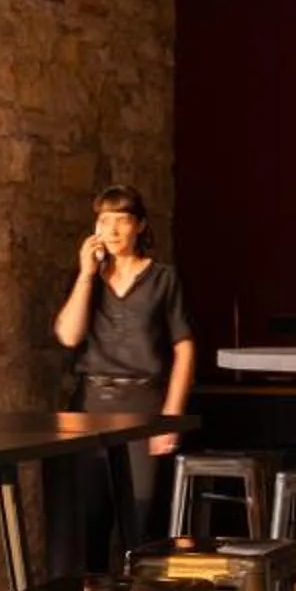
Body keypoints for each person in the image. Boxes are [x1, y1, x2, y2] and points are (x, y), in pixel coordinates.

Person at [52, 184, 193, 549]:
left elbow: (184, 348)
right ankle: (96, 587)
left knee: (141, 518)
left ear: (140, 225)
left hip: (144, 404)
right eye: (104, 221)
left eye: (122, 220)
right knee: (91, 519)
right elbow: (68, 336)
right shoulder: (87, 279)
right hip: (90, 405)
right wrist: (86, 274)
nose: (112, 230)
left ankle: (140, 586)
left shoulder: (163, 279)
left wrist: (171, 418)